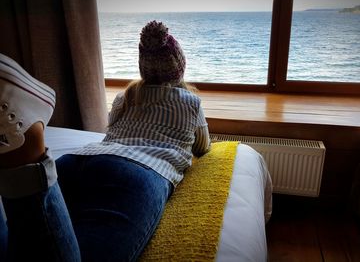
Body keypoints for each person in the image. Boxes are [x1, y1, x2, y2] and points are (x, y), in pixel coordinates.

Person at [0, 20, 210, 261]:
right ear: (180, 68)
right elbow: (202, 147)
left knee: (26, 235)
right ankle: (27, 147)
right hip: (138, 171)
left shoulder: (125, 96)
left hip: (80, 160)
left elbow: (111, 129)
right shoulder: (191, 102)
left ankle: (24, 152)